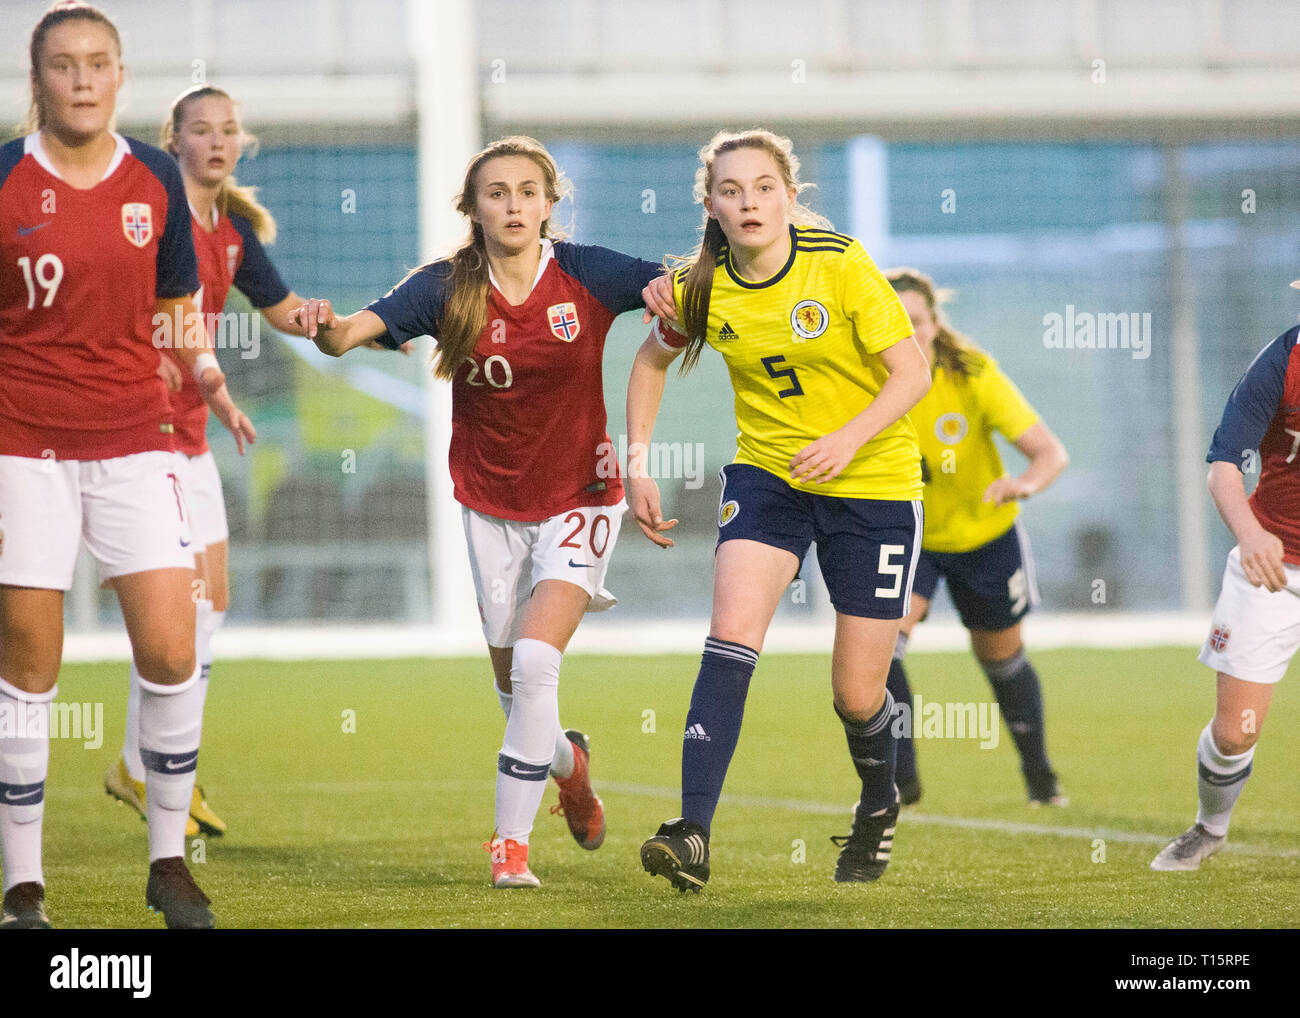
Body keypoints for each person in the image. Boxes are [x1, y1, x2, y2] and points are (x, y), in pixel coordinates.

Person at [292, 136, 666, 887]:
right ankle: (569, 764)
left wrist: (675, 287)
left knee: (534, 663)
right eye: (497, 193)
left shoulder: (587, 273)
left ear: (550, 204)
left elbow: (679, 288)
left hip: (582, 495)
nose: (514, 204)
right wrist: (322, 325)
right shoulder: (444, 288)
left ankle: (510, 850)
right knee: (513, 685)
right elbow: (347, 337)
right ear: (473, 209)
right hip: (491, 503)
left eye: (528, 191)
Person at [0, 1, 254, 929]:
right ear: (39, 81)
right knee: (30, 664)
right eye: (62, 64)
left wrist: (211, 378)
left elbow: (177, 306)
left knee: (173, 649)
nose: (81, 79)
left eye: (98, 63)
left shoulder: (154, 180)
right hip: (21, 448)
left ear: (119, 79)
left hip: (134, 443)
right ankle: (23, 884)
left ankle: (166, 863)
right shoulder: (3, 182)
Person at [630, 129, 931, 891]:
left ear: (790, 197)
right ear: (713, 207)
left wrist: (848, 437)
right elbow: (650, 357)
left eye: (764, 187)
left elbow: (911, 373)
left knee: (857, 694)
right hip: (770, 478)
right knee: (729, 635)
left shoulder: (839, 262)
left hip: (876, 486)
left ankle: (877, 801)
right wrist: (636, 460)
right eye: (731, 191)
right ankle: (693, 831)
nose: (749, 202)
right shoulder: (701, 285)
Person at [102, 84, 313, 840]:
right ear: (174, 139)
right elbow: (118, 305)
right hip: (132, 430)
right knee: (173, 616)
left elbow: (283, 309)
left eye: (229, 130)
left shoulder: (230, 228)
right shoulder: (148, 212)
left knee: (209, 607)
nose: (218, 142)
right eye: (202, 130)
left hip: (190, 432)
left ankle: (148, 765)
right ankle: (158, 771)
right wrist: (141, 362)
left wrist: (367, 323)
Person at [884, 269, 1069, 807]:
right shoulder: (865, 380)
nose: (909, 332)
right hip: (910, 540)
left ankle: (1039, 774)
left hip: (985, 539)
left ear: (936, 324)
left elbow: (1049, 452)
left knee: (1002, 660)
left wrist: (1024, 484)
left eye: (917, 321)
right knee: (882, 647)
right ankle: (903, 781)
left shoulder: (972, 372)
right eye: (897, 323)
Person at [1151, 295, 1300, 870]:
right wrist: (1251, 535)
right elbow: (1222, 471)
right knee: (1236, 732)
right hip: (1274, 570)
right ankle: (1210, 827)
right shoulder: (1281, 362)